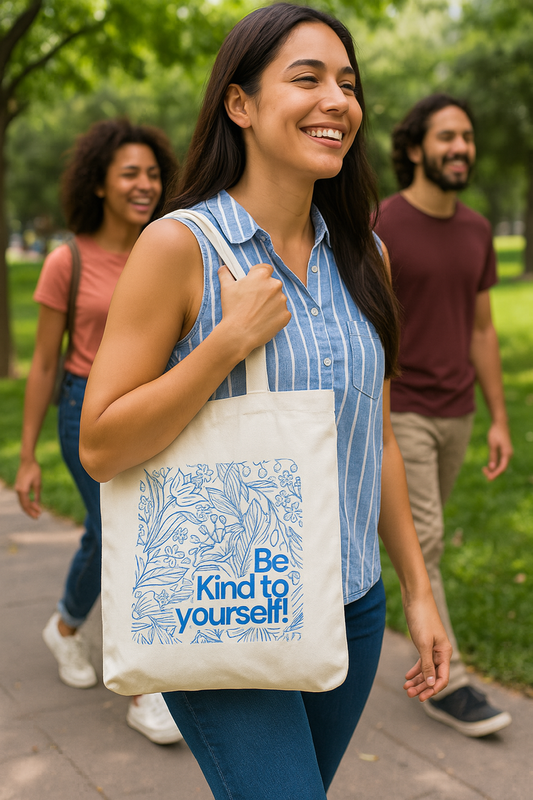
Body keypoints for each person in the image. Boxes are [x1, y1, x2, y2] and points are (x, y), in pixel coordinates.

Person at [80, 6, 452, 796]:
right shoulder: (180, 246)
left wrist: (419, 595)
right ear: (239, 105)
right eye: (306, 78)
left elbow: (376, 438)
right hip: (224, 595)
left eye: (347, 84)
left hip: (350, 601)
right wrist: (224, 346)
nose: (336, 101)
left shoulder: (367, 254)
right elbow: (101, 444)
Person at [15, 118, 183, 745]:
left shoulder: (168, 246)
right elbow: (43, 362)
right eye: (129, 174)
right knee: (123, 536)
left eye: (152, 173)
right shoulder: (70, 259)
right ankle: (146, 688)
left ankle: (63, 626)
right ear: (99, 185)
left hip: (155, 404)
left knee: (110, 533)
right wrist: (26, 456)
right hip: (86, 407)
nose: (145, 184)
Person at [374, 93, 513, 738]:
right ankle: (446, 682)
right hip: (400, 411)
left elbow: (482, 329)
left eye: (468, 136)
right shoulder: (381, 225)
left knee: (412, 542)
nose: (461, 147)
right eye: (446, 136)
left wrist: (498, 418)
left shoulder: (478, 229)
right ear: (413, 149)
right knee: (423, 541)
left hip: (457, 410)